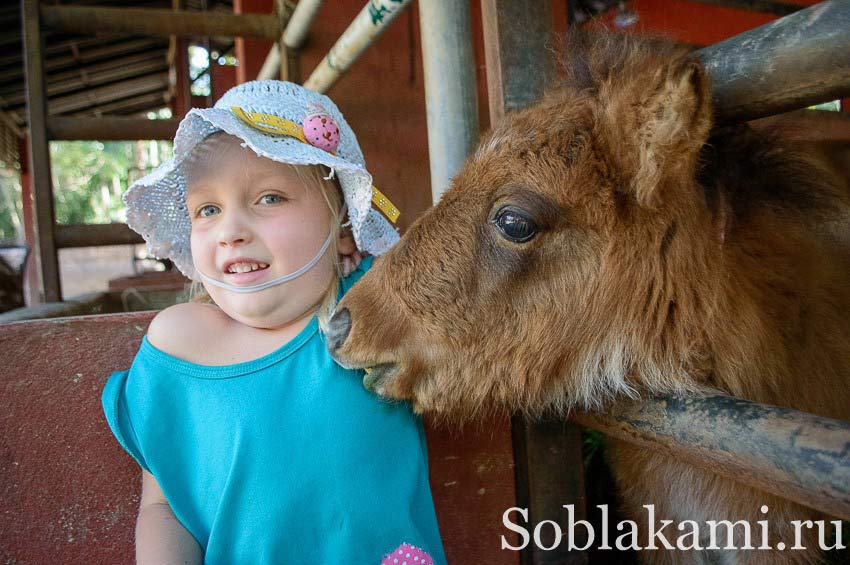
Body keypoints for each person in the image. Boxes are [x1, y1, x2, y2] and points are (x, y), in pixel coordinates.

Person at [101, 81, 445, 565]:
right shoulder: (180, 345)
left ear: (343, 227)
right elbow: (163, 505)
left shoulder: (374, 307)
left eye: (269, 199)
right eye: (208, 210)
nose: (231, 232)